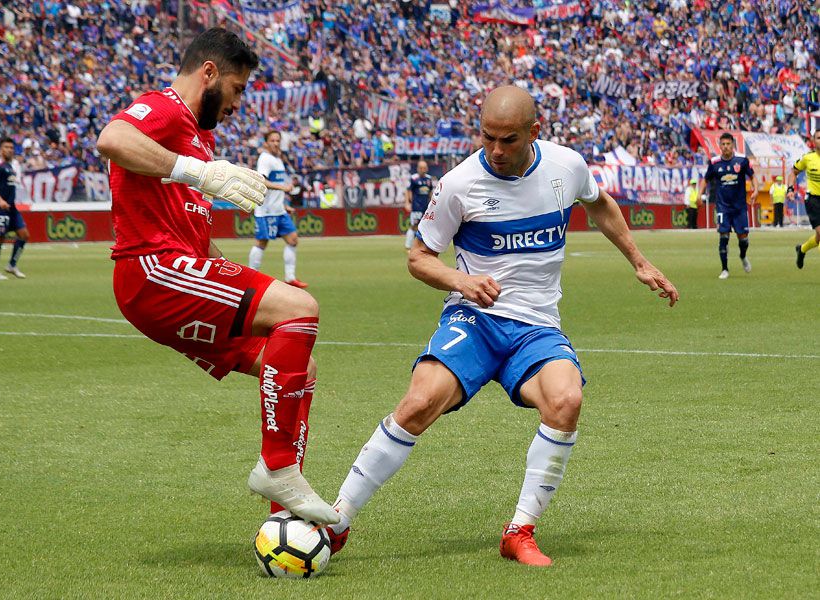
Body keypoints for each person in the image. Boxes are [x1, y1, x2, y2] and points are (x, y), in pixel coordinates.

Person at [326, 87, 678, 566]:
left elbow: (600, 205)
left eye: (508, 140)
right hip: (475, 320)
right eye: (488, 137)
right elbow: (418, 258)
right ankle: (337, 519)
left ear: (535, 131)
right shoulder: (458, 184)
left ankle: (520, 532)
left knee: (566, 400)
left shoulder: (566, 167)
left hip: (536, 327)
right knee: (418, 402)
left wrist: (639, 261)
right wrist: (460, 281)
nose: (495, 150)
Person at [95, 28, 339, 525]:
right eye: (237, 88)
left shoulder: (200, 138)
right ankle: (278, 468)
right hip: (151, 271)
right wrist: (198, 172)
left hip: (172, 274)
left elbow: (200, 245)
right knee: (301, 312)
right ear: (209, 72)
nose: (237, 103)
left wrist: (257, 285)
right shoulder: (165, 108)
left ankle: (285, 517)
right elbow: (112, 139)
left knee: (296, 363)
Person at [248, 130, 308, 288]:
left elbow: (274, 188)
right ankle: (250, 277)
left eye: (277, 140)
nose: (275, 143)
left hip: (279, 210)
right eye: (272, 141)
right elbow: (262, 182)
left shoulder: (277, 159)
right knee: (262, 242)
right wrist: (283, 188)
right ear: (266, 143)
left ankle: (290, 278)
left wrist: (284, 205)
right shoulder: (265, 159)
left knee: (293, 239)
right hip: (266, 211)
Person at [697, 132, 758, 280]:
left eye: (728, 144)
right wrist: (699, 194)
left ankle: (743, 256)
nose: (725, 147)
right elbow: (706, 179)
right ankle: (725, 269)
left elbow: (753, 176)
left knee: (743, 238)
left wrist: (755, 190)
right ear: (719, 146)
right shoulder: (714, 162)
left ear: (733, 145)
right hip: (723, 207)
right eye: (723, 144)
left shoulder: (741, 160)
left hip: (739, 207)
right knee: (723, 237)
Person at [0, 138, 30, 280]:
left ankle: (12, 265)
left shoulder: (10, 167)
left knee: (24, 234)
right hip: (0, 207)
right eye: (6, 147)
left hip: (12, 207)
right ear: (1, 149)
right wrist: (0, 200)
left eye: (11, 147)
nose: (10, 150)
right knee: (0, 237)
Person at [792, 129, 820, 269]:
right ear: (813, 141)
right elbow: (794, 171)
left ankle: (802, 249)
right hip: (814, 200)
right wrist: (791, 189)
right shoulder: (808, 158)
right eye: (819, 138)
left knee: (818, 237)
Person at [403, 160, 433, 250]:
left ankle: (424, 246)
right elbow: (408, 191)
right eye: (421, 168)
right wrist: (407, 202)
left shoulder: (429, 179)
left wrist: (433, 203)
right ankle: (408, 246)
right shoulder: (414, 178)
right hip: (416, 206)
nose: (423, 170)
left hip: (426, 207)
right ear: (417, 168)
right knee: (414, 226)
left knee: (426, 226)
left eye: (424, 168)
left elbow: (430, 192)